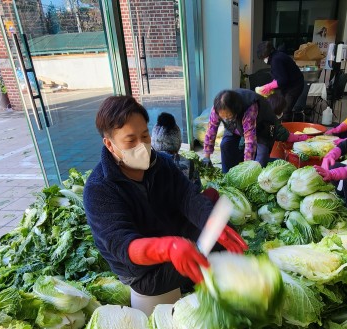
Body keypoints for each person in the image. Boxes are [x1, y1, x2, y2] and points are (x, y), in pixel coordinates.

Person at [83, 96, 247, 313]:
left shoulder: (162, 163)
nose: (142, 146)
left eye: (145, 135)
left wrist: (212, 222)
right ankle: (194, 280)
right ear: (110, 145)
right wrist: (169, 248)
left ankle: (203, 278)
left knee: (221, 232)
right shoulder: (99, 189)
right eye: (131, 141)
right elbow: (122, 245)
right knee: (189, 265)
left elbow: (188, 197)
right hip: (144, 270)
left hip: (176, 238)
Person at [203, 88, 277, 173]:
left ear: (235, 109)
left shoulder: (250, 107)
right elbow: (211, 130)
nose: (226, 119)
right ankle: (227, 175)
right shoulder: (218, 108)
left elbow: (250, 140)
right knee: (226, 145)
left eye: (228, 116)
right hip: (236, 123)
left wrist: (245, 170)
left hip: (263, 125)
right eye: (224, 117)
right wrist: (206, 156)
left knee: (260, 158)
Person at [255, 41, 306, 118]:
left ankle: (284, 128)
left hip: (294, 86)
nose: (263, 60)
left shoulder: (276, 60)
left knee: (284, 110)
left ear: (266, 54)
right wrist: (271, 85)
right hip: (289, 84)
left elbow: (282, 80)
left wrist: (268, 86)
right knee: (278, 105)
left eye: (263, 58)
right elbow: (278, 76)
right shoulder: (277, 56)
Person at [151, 112, 200, 190]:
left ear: (154, 140)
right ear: (178, 142)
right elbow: (197, 189)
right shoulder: (189, 164)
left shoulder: (147, 166)